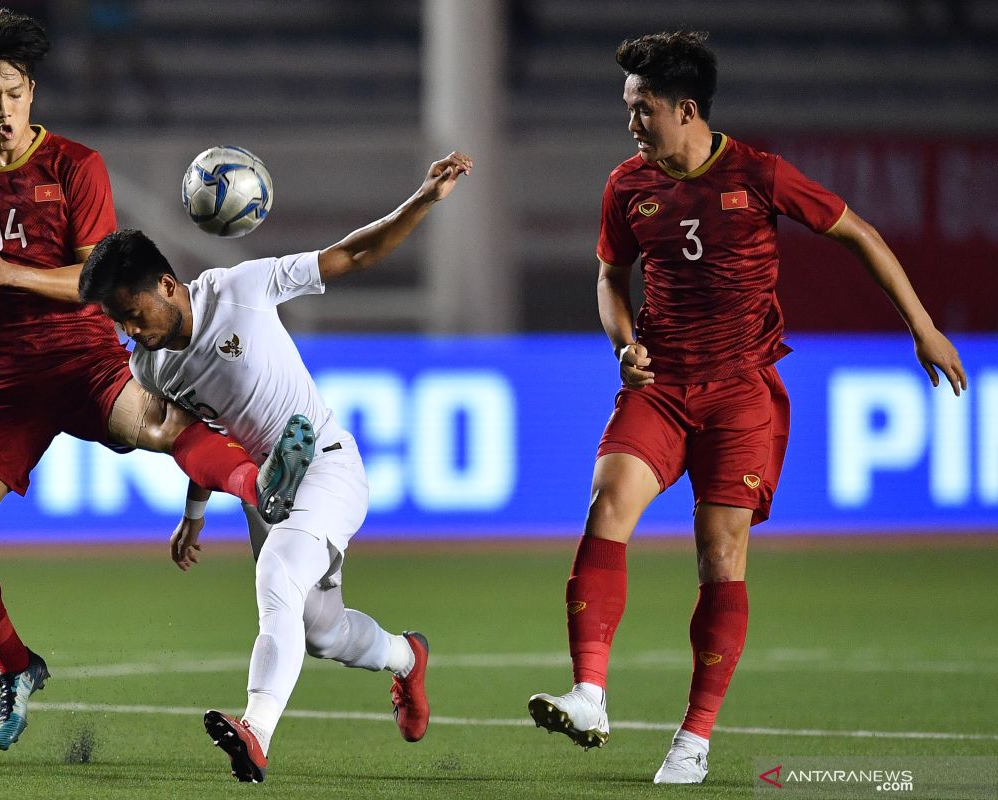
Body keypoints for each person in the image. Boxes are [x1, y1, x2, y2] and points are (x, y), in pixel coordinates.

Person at [0, 6, 309, 752]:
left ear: (31, 92)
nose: (1, 110)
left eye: (13, 93)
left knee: (158, 427)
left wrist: (10, 271)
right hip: (5, 378)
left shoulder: (75, 166)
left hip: (83, 359)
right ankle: (16, 666)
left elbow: (97, 281)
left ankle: (257, 487)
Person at [526, 31, 966, 785]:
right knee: (606, 506)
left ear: (686, 110)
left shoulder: (759, 174)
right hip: (659, 386)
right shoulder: (627, 185)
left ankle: (693, 739)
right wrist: (623, 341)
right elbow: (609, 277)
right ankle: (591, 693)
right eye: (629, 110)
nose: (632, 124)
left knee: (719, 556)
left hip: (740, 394)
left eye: (643, 110)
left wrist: (922, 327)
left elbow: (857, 232)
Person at [76, 150, 473, 783]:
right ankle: (406, 657)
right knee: (320, 630)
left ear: (168, 286)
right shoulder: (149, 366)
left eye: (131, 311)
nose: (127, 329)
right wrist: (194, 513)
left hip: (325, 463)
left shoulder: (242, 288)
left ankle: (255, 731)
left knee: (276, 577)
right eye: (115, 320)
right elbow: (193, 437)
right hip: (267, 491)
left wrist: (422, 200)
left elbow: (353, 255)